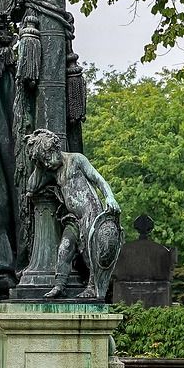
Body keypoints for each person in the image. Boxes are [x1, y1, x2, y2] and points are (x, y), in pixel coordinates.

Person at [21, 128, 123, 300]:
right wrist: (39, 165)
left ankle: (93, 288)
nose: (47, 164)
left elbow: (98, 179)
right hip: (74, 219)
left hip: (90, 214)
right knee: (64, 248)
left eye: (47, 158)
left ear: (55, 149)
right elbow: (31, 187)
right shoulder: (52, 171)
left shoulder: (76, 159)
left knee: (92, 255)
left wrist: (110, 197)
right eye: (43, 161)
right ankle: (59, 285)